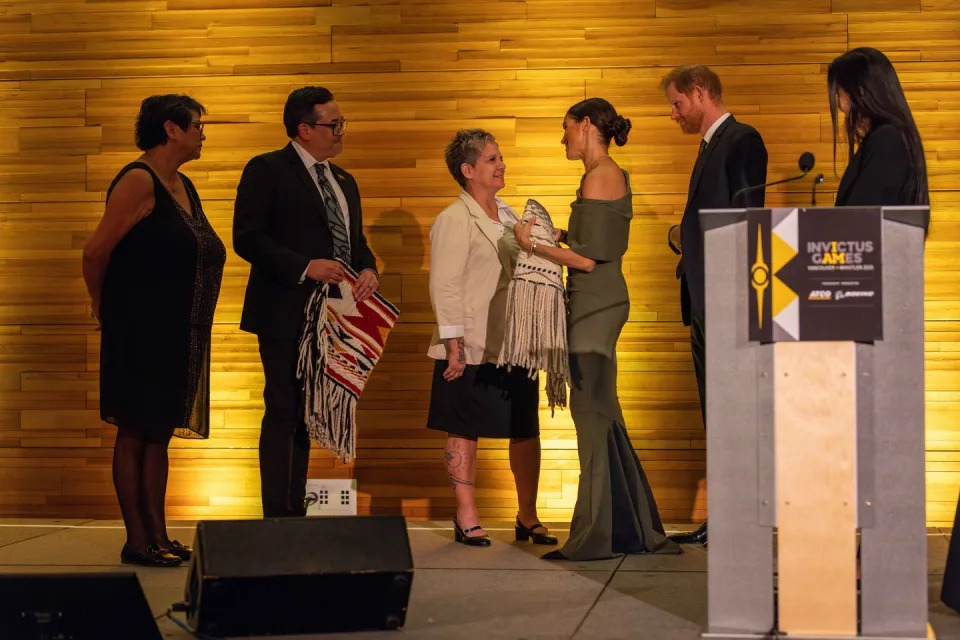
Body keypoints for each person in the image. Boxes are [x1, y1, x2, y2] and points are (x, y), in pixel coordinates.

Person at [513, 99, 679, 560]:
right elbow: (591, 245)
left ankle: (597, 536)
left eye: (565, 127)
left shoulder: (601, 175)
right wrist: (560, 236)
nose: (562, 137)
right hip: (593, 300)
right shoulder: (602, 175)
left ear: (586, 126)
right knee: (601, 414)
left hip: (596, 303)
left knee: (590, 414)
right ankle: (627, 528)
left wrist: (535, 245)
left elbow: (589, 259)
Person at [82, 94, 225, 567]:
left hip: (177, 332)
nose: (203, 134)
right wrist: (102, 305)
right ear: (172, 129)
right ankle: (136, 540)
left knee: (158, 433)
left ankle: (158, 535)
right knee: (135, 429)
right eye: (198, 126)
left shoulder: (183, 184)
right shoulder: (138, 180)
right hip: (139, 328)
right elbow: (96, 251)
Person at [234, 87, 379, 518]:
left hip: (335, 318)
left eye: (341, 123)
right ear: (304, 129)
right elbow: (248, 238)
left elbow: (356, 243)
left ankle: (294, 515)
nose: (340, 132)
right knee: (283, 409)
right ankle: (276, 519)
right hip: (284, 310)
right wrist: (305, 266)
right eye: (333, 124)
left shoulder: (344, 180)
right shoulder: (267, 169)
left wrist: (369, 268)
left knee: (305, 416)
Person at [427, 129, 556, 547]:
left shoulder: (509, 215)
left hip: (515, 342)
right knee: (464, 426)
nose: (501, 165)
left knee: (524, 425)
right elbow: (444, 285)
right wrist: (453, 346)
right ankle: (466, 516)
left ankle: (528, 515)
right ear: (468, 171)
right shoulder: (453, 219)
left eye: (500, 158)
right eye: (491, 160)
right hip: (469, 342)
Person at [659, 66, 768, 547]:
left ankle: (740, 520)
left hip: (726, 299)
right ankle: (723, 519)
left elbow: (749, 221)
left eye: (677, 103)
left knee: (732, 413)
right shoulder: (710, 145)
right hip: (703, 297)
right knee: (717, 412)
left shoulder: (742, 140)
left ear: (700, 94)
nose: (673, 114)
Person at [829, 47, 930, 215]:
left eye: (839, 94)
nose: (839, 105)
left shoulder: (887, 140)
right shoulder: (891, 136)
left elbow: (862, 218)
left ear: (860, 90)